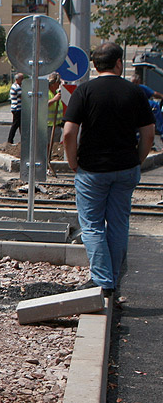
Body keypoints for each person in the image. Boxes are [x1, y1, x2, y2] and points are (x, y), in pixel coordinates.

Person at [62, 42, 154, 296]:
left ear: (94, 65)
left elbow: (69, 133)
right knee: (117, 224)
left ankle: (102, 281)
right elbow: (148, 134)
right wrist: (137, 160)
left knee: (92, 225)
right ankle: (112, 280)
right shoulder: (135, 92)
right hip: (125, 168)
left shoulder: (85, 91)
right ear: (119, 63)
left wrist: (72, 162)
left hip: (92, 170)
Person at [46, 72, 64, 143]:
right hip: (48, 126)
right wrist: (54, 100)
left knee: (55, 146)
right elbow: (42, 105)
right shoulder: (46, 93)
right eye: (58, 82)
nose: (59, 84)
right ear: (53, 83)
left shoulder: (56, 93)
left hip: (57, 125)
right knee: (47, 145)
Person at [7, 72, 24, 145]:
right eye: (21, 79)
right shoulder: (16, 87)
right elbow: (22, 95)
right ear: (17, 79)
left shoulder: (19, 86)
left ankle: (23, 138)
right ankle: (10, 140)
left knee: (21, 124)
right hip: (17, 108)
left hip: (19, 108)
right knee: (15, 125)